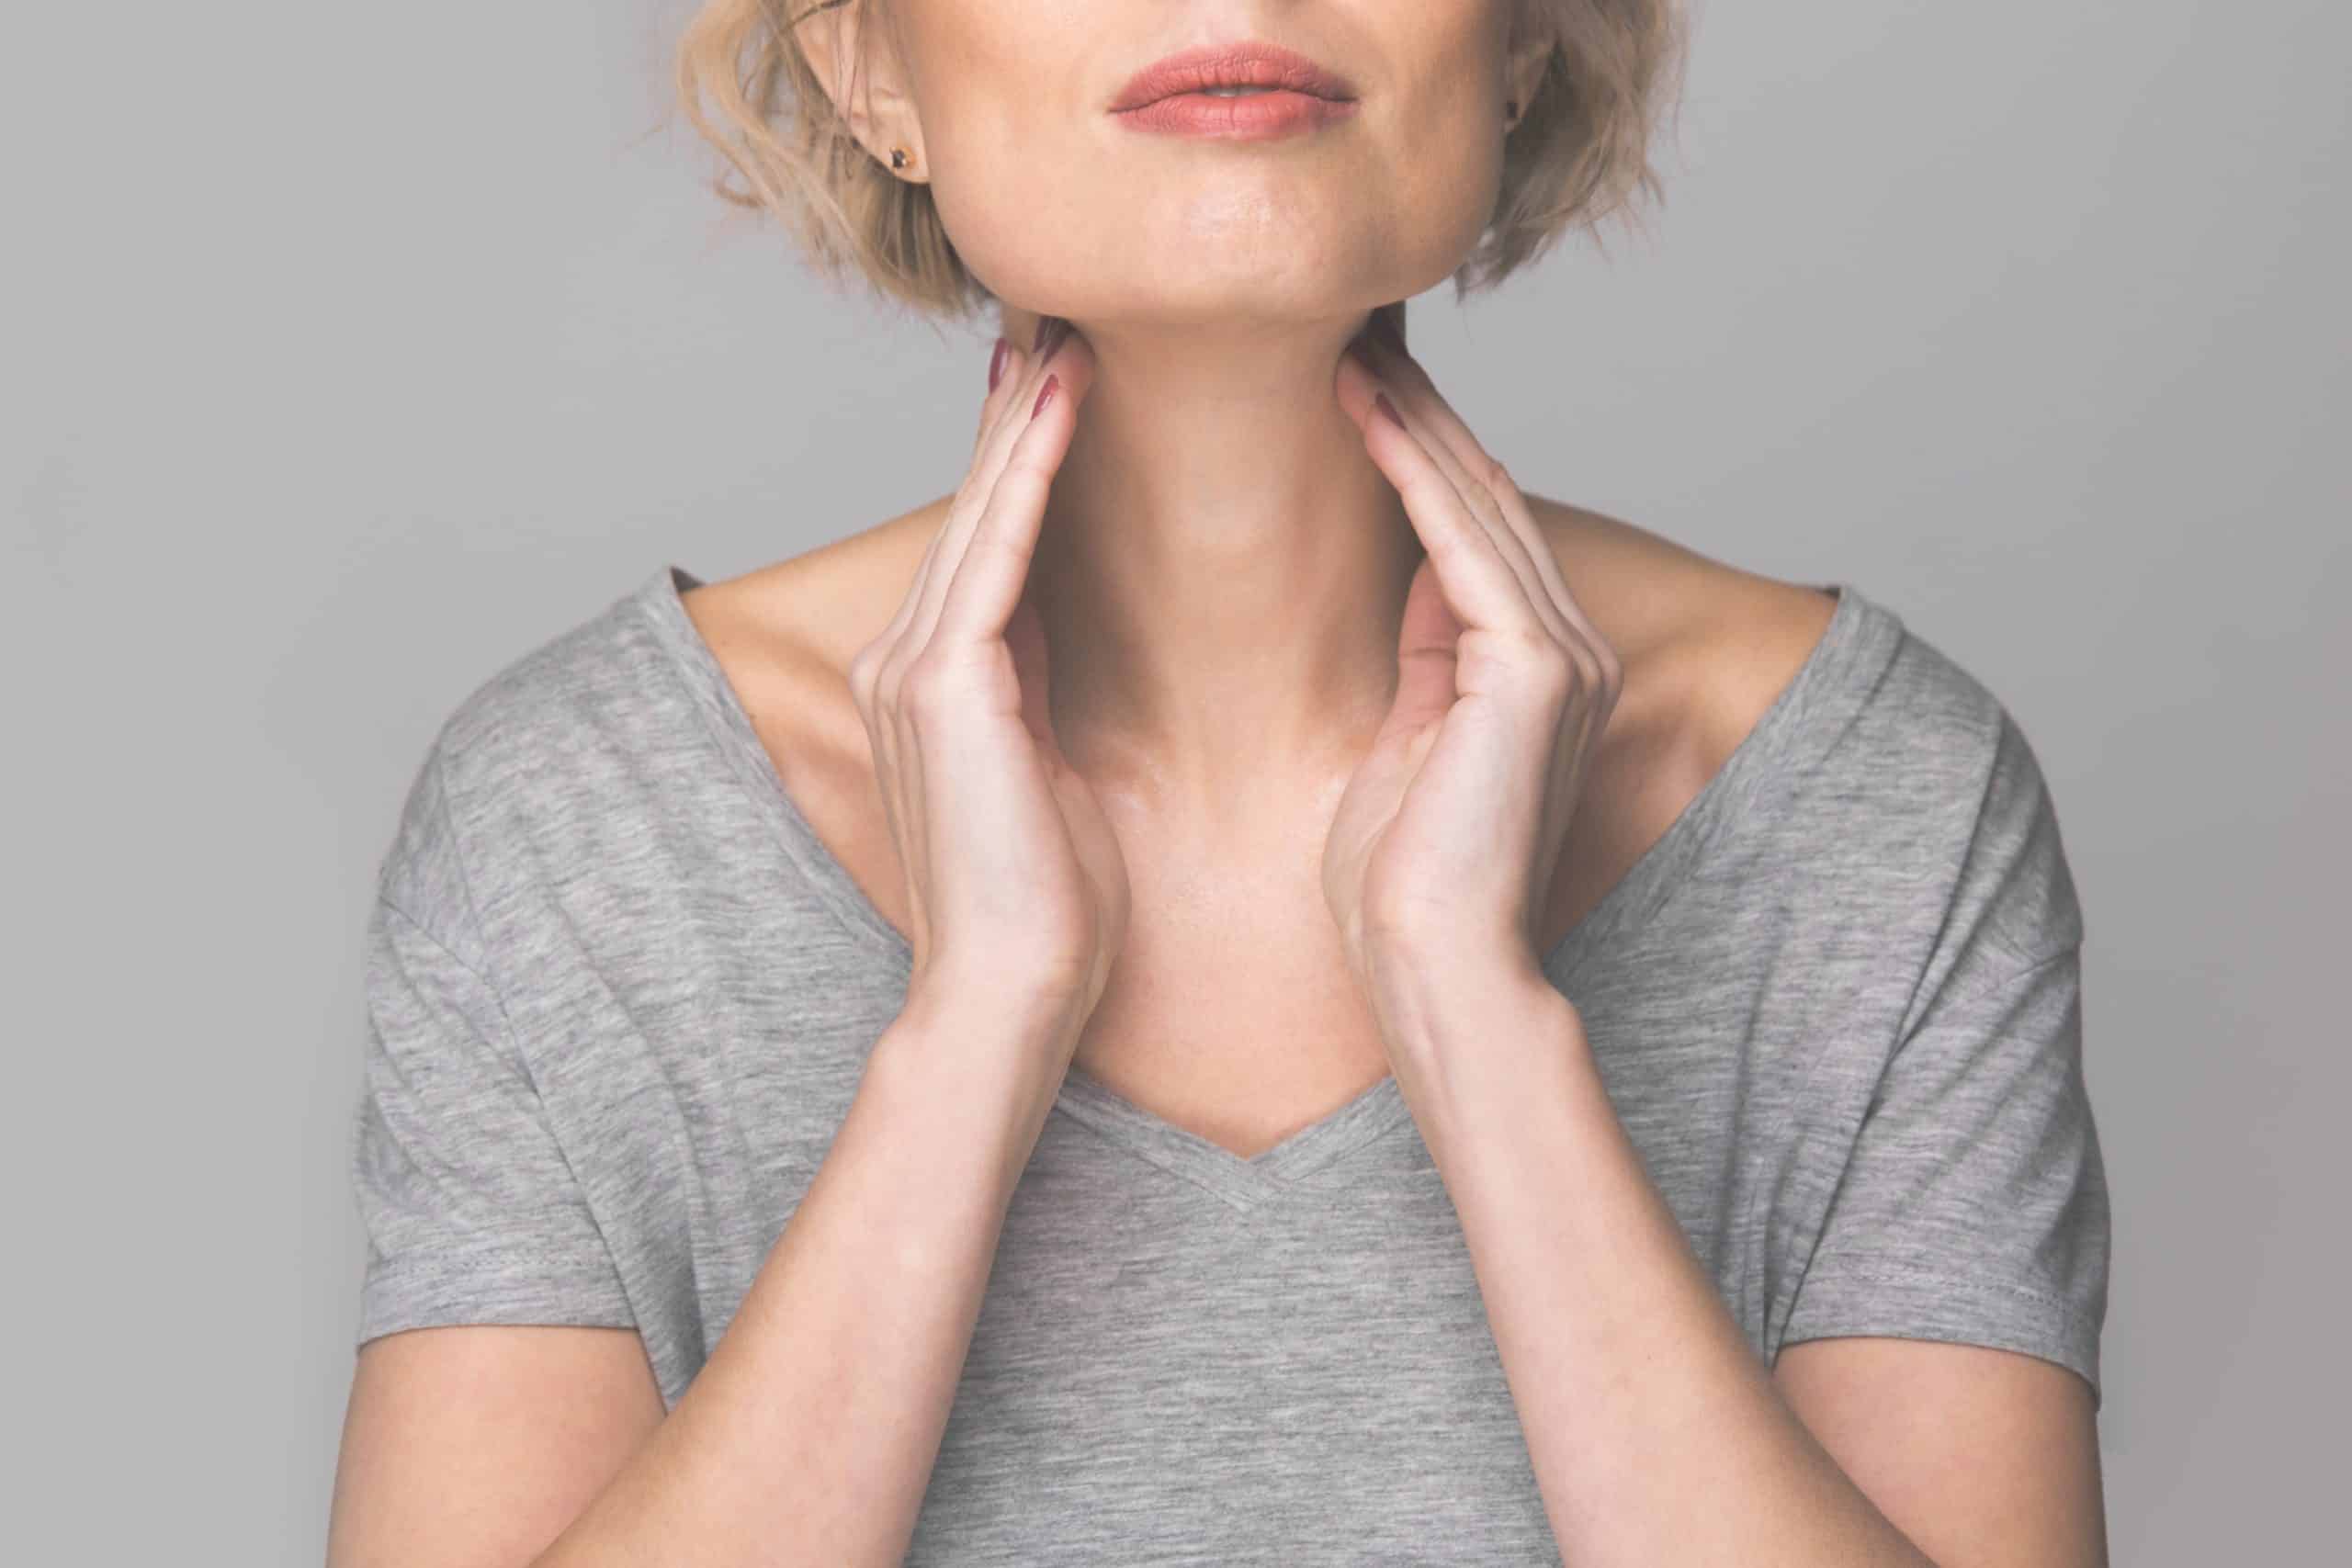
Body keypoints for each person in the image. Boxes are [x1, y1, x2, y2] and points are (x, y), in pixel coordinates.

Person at [326, 2, 2111, 1563]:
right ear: (864, 60)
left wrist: (1477, 1016)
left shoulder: (1871, 803)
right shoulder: (575, 823)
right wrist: (972, 1027)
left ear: (1523, 37)